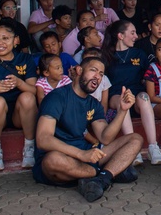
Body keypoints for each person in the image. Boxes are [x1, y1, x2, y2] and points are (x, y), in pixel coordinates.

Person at [34, 59, 143, 202]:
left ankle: (100, 180)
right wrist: (81, 154)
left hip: (87, 157)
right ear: (79, 71)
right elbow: (43, 139)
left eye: (101, 74)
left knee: (136, 139)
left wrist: (122, 110)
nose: (97, 76)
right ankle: (109, 173)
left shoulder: (94, 104)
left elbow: (105, 138)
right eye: (93, 70)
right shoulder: (57, 97)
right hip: (63, 157)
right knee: (53, 160)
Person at [0, 19, 38, 172]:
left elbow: (35, 91)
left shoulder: (25, 59)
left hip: (19, 114)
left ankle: (30, 148)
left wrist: (19, 83)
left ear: (16, 40)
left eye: (5, 38)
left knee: (28, 97)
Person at [101, 19, 161, 164]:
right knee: (124, 101)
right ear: (120, 36)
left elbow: (149, 76)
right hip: (115, 95)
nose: (136, 36)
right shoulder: (106, 56)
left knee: (144, 98)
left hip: (137, 95)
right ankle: (133, 148)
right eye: (132, 33)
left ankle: (153, 147)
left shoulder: (139, 53)